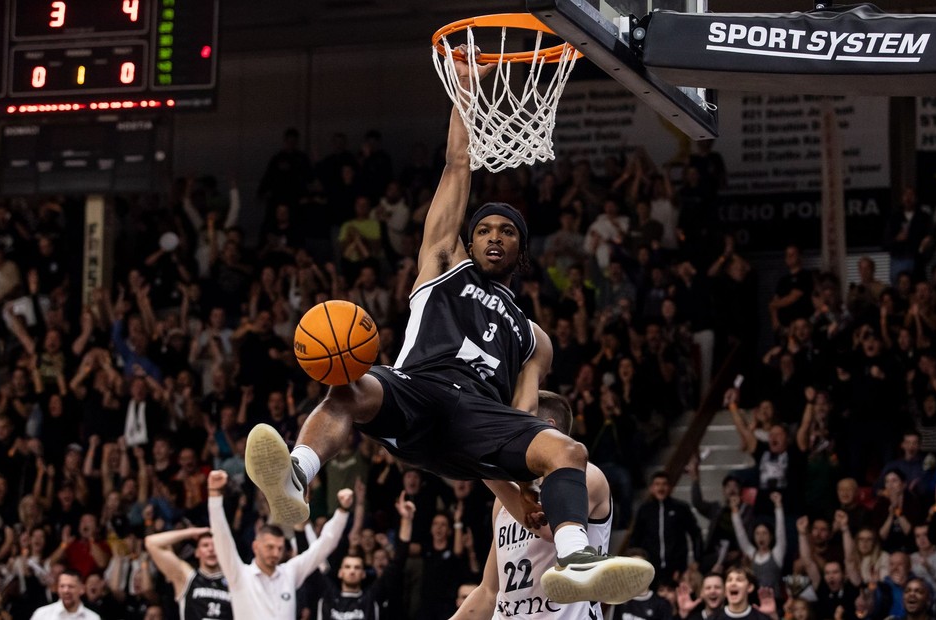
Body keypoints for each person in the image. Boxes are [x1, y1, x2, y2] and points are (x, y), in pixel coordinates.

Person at [243, 51, 652, 605]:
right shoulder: (443, 264)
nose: (492, 237)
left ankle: (578, 559)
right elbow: (457, 164)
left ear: (520, 251)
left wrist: (512, 492)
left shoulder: (535, 338)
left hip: (477, 421)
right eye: (483, 228)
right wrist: (464, 93)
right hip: (420, 388)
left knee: (568, 451)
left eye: (506, 231)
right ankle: (297, 474)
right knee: (351, 386)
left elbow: (521, 417)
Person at [452, 391, 615, 618]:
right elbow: (489, 592)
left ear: (549, 429)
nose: (508, 438)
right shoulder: (504, 499)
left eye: (516, 429)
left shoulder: (587, 476)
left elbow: (548, 530)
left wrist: (484, 469)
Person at [206, 470, 351, 618]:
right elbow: (221, 538)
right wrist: (214, 496)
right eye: (270, 547)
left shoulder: (289, 572)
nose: (276, 553)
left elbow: (323, 547)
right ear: (255, 546)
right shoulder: (240, 575)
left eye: (280, 548)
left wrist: (342, 511)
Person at [310, 490, 414, 620]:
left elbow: (398, 561)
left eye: (357, 567)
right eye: (348, 567)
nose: (352, 571)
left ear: (363, 574)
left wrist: (406, 519)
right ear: (340, 572)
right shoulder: (327, 594)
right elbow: (309, 558)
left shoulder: (372, 597)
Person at [144, 526, 232, 620]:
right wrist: (191, 532)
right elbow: (151, 542)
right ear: (197, 552)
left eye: (215, 546)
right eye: (205, 545)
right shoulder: (187, 577)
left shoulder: (233, 582)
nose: (211, 549)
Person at [30, 569, 101, 620]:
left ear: (82, 589)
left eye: (71, 586)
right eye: (62, 586)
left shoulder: (93, 618)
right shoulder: (42, 614)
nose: (66, 591)